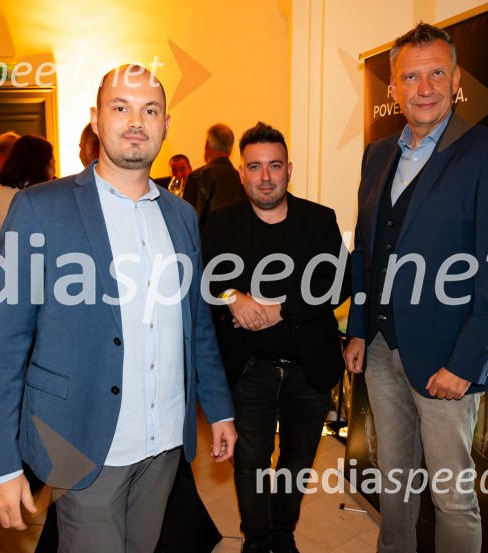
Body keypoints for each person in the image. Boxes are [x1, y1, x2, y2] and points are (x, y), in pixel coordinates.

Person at [0, 64, 236, 552]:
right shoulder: (40, 208)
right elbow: (4, 343)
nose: (136, 121)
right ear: (96, 119)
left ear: (165, 124)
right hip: (82, 437)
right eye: (121, 107)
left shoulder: (181, 216)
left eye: (150, 110)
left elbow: (196, 325)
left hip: (165, 443)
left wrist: (218, 408)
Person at [342, 23, 488, 553]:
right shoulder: (377, 154)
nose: (424, 88)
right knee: (394, 484)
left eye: (436, 74)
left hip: (448, 361)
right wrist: (359, 329)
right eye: (411, 77)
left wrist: (466, 364)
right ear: (393, 86)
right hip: (382, 352)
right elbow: (367, 253)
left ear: (457, 79)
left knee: (452, 497)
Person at [202, 122, 349, 553]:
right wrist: (232, 297)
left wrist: (279, 309)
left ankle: (283, 538)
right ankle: (257, 539)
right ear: (242, 173)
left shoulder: (319, 220)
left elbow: (337, 282)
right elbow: (206, 278)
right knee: (250, 462)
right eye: (255, 167)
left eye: (274, 166)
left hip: (309, 369)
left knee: (297, 463)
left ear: (289, 170)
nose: (265, 177)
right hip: (250, 369)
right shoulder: (222, 222)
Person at [0, 134, 56, 283]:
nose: (54, 170)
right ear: (42, 167)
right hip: (42, 289)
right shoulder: (44, 200)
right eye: (52, 163)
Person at [183, 123, 246, 228]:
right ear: (230, 148)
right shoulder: (242, 179)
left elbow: (187, 221)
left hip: (205, 238)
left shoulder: (197, 177)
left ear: (207, 144)